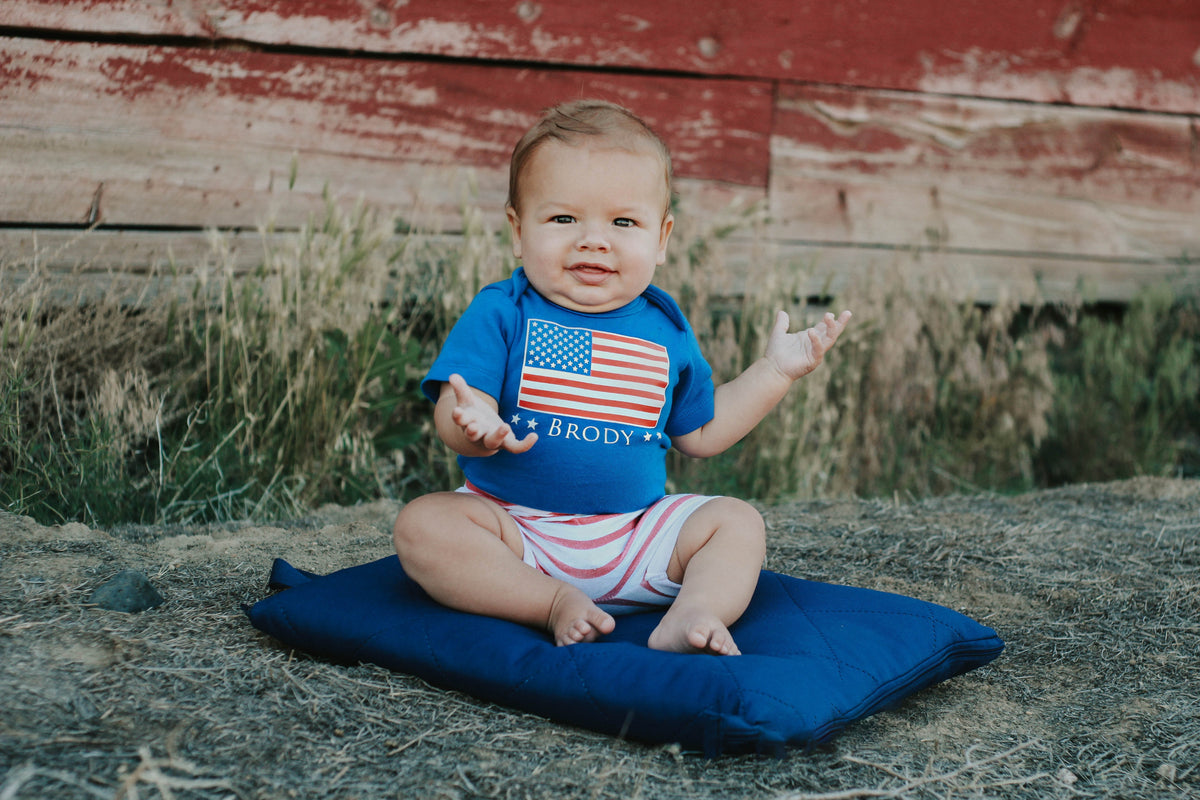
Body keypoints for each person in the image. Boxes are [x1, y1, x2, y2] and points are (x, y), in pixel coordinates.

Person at [393, 99, 851, 656]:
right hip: (516, 537)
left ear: (660, 239)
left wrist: (775, 371)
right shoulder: (502, 311)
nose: (593, 239)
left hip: (637, 535)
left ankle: (694, 613)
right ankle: (550, 602)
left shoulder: (666, 328)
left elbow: (700, 434)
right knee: (423, 526)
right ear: (518, 230)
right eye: (563, 219)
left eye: (623, 222)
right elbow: (457, 408)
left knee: (736, 521)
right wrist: (473, 424)